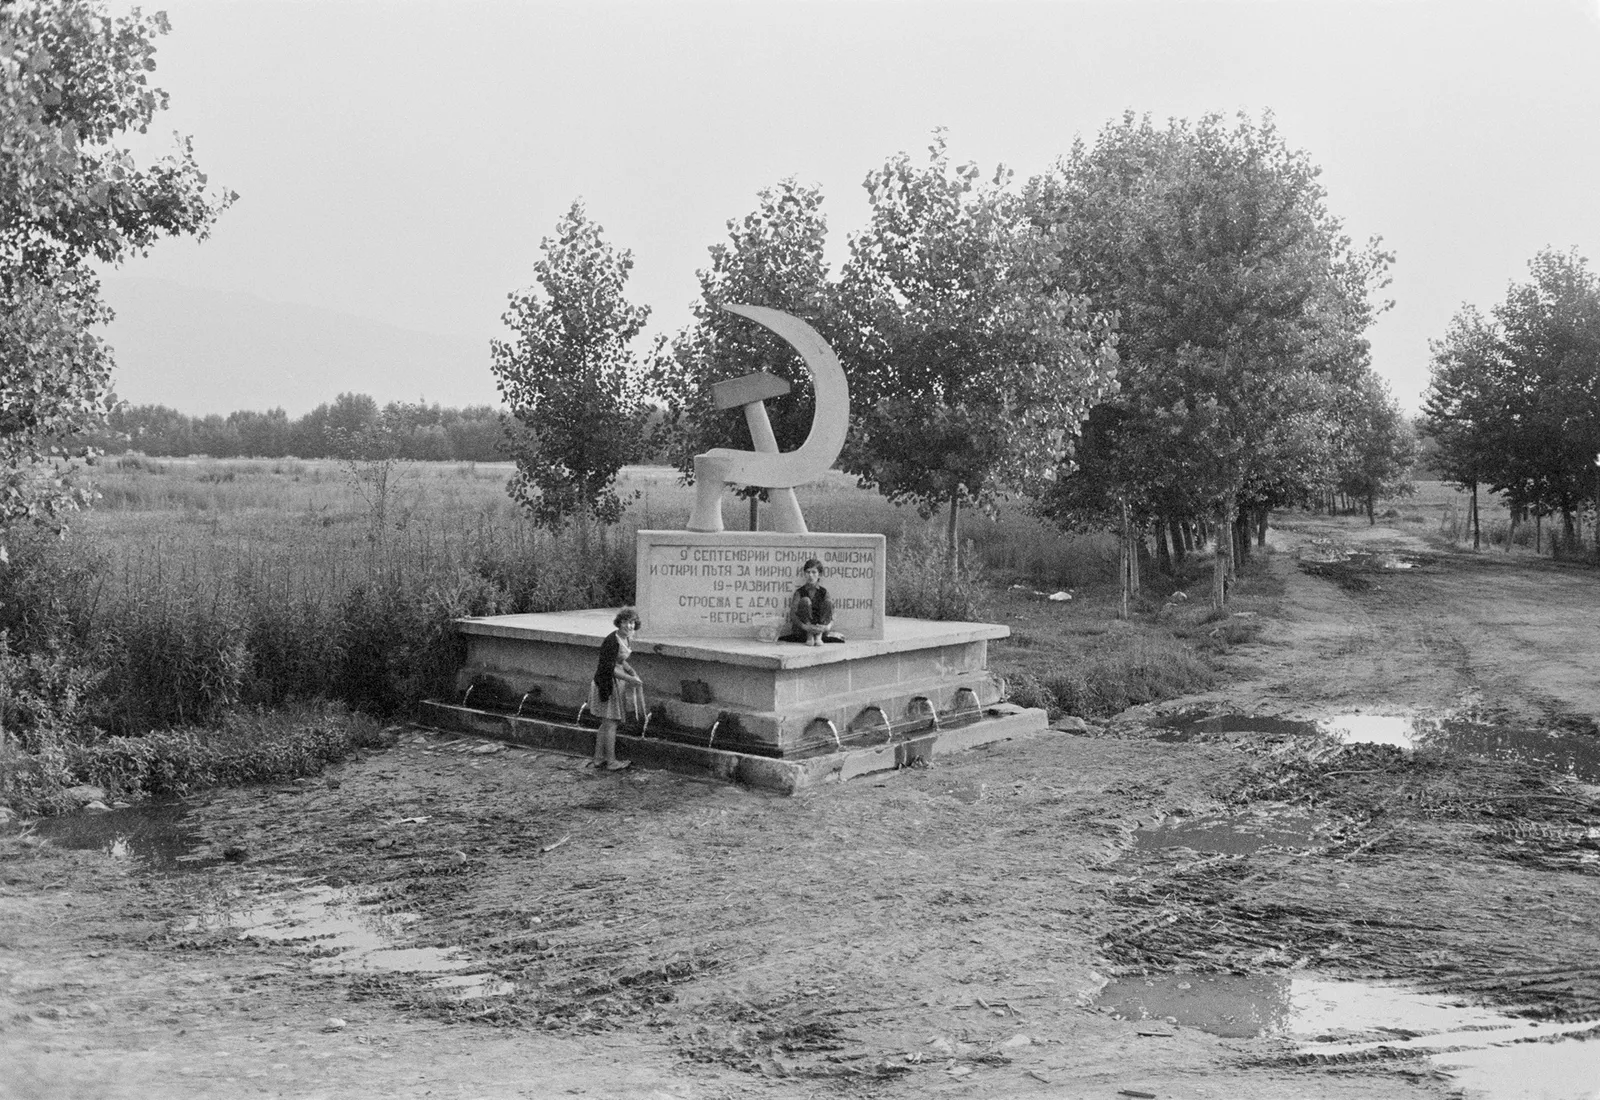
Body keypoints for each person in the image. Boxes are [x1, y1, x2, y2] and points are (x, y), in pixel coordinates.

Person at [587, 608, 643, 770]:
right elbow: (610, 668)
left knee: (606, 722)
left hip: (614, 683)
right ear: (619, 623)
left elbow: (620, 660)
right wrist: (630, 679)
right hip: (607, 684)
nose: (629, 626)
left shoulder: (625, 638)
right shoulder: (612, 641)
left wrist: (631, 670)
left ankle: (598, 758)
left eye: (632, 622)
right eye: (626, 622)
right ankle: (611, 761)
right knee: (611, 722)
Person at [780, 559, 845, 645]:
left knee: (828, 602)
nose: (810, 575)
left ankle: (819, 636)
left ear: (819, 575)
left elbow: (832, 612)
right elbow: (793, 614)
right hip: (804, 629)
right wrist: (805, 627)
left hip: (820, 627)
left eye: (814, 572)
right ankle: (809, 636)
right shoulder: (799, 592)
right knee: (805, 601)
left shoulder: (824, 592)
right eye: (808, 572)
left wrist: (827, 627)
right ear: (804, 574)